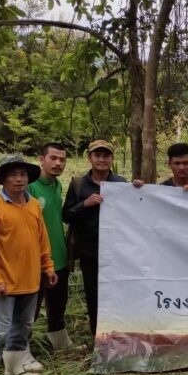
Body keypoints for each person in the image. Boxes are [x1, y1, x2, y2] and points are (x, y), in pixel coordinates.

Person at [0, 155, 57, 375]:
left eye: (22, 174)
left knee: (23, 327)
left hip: (31, 281)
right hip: (4, 283)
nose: (19, 179)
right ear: (2, 179)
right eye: (13, 174)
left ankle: (14, 367)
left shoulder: (33, 206)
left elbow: (42, 241)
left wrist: (48, 267)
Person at [62, 140, 127, 337]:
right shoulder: (78, 185)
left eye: (106, 155)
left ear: (111, 159)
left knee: (118, 293)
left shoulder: (121, 184)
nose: (101, 159)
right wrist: (85, 204)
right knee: (94, 295)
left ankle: (120, 333)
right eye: (97, 155)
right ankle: (98, 336)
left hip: (118, 252)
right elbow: (66, 215)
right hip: (90, 252)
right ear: (89, 158)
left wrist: (138, 189)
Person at [28, 142, 73, 351]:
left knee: (58, 304)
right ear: (41, 159)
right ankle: (19, 349)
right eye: (53, 158)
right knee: (30, 308)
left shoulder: (57, 185)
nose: (58, 163)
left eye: (62, 159)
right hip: (36, 260)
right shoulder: (29, 187)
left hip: (59, 257)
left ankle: (60, 343)